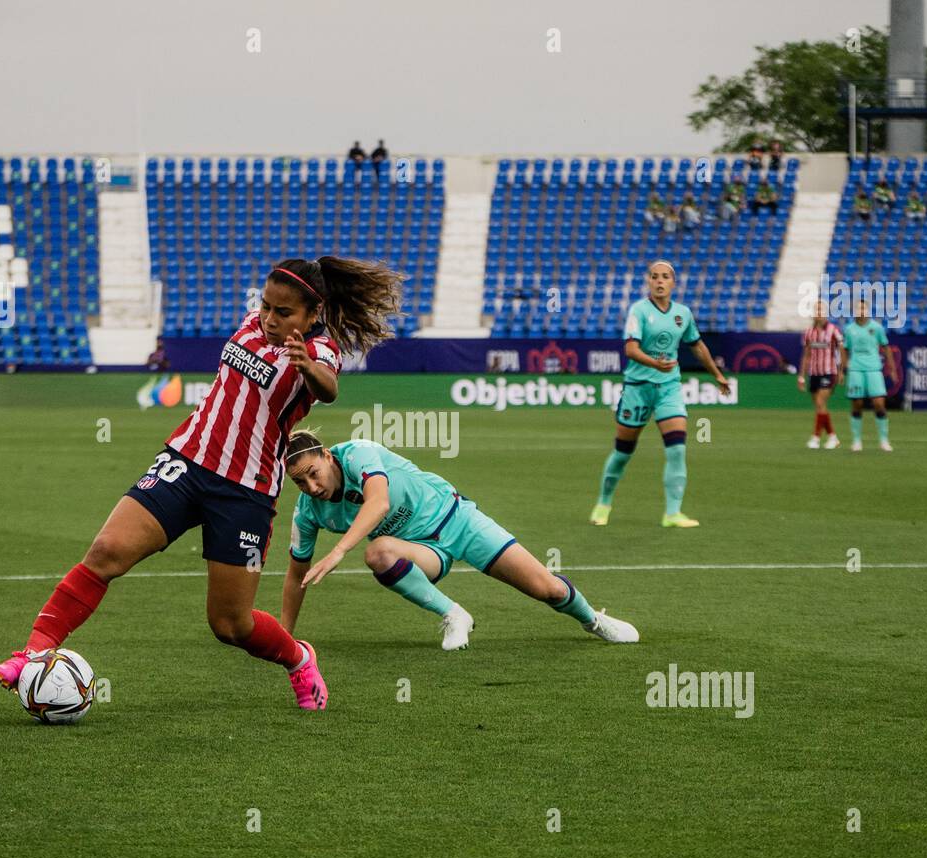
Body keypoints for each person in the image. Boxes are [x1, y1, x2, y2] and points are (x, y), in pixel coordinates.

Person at [0, 257, 401, 712]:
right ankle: (31, 655)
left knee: (230, 624)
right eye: (266, 306)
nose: (270, 317)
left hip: (245, 491)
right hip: (186, 461)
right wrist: (267, 326)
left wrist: (304, 365)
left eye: (284, 312)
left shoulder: (320, 351)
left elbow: (328, 389)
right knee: (105, 553)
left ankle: (299, 658)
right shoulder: (250, 324)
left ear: (312, 313)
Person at [281, 434, 639, 652]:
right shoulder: (308, 512)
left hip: (459, 520)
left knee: (547, 589)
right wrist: (283, 638)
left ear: (327, 456)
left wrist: (339, 550)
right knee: (378, 553)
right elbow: (295, 575)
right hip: (423, 551)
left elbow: (380, 502)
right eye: (300, 483)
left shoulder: (358, 453)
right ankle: (454, 615)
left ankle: (593, 620)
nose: (312, 487)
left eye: (314, 474)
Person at [590, 260, 731, 529]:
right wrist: (656, 364)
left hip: (669, 388)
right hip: (638, 388)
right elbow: (630, 350)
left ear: (673, 282)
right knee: (623, 452)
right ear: (649, 281)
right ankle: (604, 502)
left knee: (677, 449)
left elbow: (697, 345)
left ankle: (672, 513)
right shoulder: (639, 311)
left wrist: (717, 374)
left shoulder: (683, 313)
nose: (659, 281)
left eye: (665, 277)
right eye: (654, 277)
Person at [840, 298, 895, 452]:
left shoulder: (877, 328)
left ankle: (884, 440)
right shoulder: (849, 329)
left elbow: (886, 347)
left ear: (868, 311)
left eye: (863, 308)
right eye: (858, 308)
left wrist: (892, 368)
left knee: (879, 403)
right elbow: (844, 349)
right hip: (856, 369)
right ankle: (856, 441)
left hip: (873, 369)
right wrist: (843, 369)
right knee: (857, 403)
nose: (861, 311)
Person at [798, 298, 844, 448]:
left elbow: (841, 351)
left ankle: (816, 437)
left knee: (820, 402)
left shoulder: (833, 331)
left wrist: (841, 371)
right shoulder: (809, 333)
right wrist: (801, 376)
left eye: (821, 310)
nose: (819, 313)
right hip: (814, 372)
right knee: (819, 406)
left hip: (828, 371)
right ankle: (832, 437)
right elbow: (806, 355)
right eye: (816, 310)